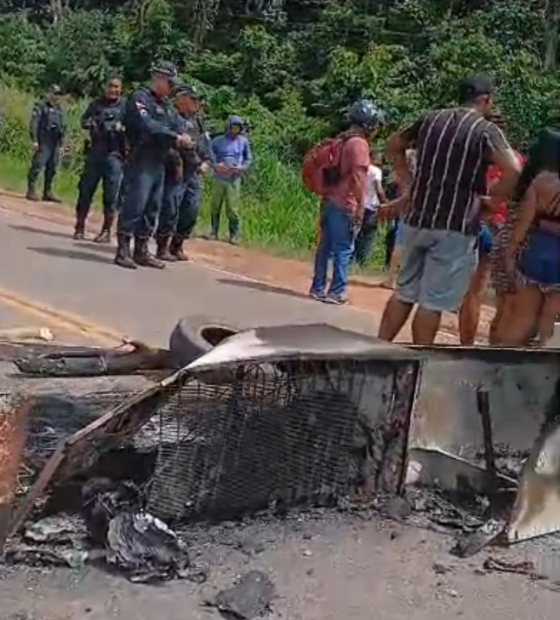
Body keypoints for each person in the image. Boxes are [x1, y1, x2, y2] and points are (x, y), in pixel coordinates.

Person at [377, 75, 522, 344]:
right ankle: (420, 360)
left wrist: (408, 182)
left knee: (404, 292)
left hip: (417, 219)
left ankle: (375, 349)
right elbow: (514, 168)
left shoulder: (431, 120)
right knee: (431, 302)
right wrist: (494, 201)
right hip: (454, 226)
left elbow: (394, 145)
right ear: (486, 99)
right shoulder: (484, 130)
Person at [114, 62, 193, 270]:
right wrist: (175, 136)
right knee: (136, 203)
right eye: (169, 82)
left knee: (152, 207)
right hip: (141, 157)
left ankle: (141, 250)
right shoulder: (140, 99)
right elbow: (147, 125)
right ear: (158, 78)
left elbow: (170, 126)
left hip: (160, 160)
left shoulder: (165, 105)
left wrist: (181, 138)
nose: (171, 87)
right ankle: (123, 250)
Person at [458, 114, 526, 345]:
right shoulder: (516, 161)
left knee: (472, 291)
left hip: (476, 224)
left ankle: (466, 345)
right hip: (503, 228)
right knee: (503, 297)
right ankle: (494, 347)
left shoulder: (473, 158)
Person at [309, 99, 385, 305]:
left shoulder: (341, 140)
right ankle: (337, 291)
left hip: (328, 201)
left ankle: (317, 287)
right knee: (344, 248)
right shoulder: (359, 144)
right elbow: (358, 179)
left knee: (324, 247)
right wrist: (360, 207)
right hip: (344, 204)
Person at [501, 129, 560, 347]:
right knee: (550, 325)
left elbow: (524, 223)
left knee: (522, 318)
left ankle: (502, 366)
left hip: (535, 252)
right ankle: (540, 373)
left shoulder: (541, 181)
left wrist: (509, 255)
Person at [155, 84, 212, 262]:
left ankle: (177, 244)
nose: (196, 103)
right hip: (176, 171)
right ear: (182, 100)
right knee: (170, 208)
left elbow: (207, 147)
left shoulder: (199, 122)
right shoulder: (171, 118)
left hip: (193, 173)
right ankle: (162, 246)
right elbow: (165, 141)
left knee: (191, 210)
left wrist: (207, 162)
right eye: (192, 99)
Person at [73, 75, 127, 242]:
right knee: (85, 190)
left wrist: (122, 128)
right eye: (110, 86)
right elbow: (84, 120)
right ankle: (79, 226)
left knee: (111, 195)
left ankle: (106, 231)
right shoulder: (96, 104)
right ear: (105, 87)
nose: (113, 90)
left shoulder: (125, 107)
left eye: (116, 87)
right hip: (95, 152)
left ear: (121, 89)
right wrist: (92, 123)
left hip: (114, 155)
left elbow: (134, 128)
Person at [206, 116, 252, 244]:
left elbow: (248, 159)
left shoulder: (243, 142)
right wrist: (216, 165)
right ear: (228, 126)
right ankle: (213, 231)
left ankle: (234, 234)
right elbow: (209, 154)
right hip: (219, 177)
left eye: (238, 127)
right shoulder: (218, 141)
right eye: (233, 127)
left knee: (233, 207)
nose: (235, 130)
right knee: (215, 204)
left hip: (234, 178)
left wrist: (241, 168)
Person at [26, 84, 66, 202]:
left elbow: (62, 127)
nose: (56, 97)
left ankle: (47, 191)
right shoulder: (41, 106)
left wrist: (62, 143)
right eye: (54, 94)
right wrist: (34, 139)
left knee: (52, 167)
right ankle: (31, 189)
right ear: (49, 94)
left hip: (54, 142)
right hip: (43, 140)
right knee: (38, 164)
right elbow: (34, 123)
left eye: (58, 95)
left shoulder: (59, 110)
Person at [353, 151, 386, 266]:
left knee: (355, 232)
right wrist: (385, 204)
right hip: (371, 207)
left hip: (358, 205)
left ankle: (350, 259)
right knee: (368, 235)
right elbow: (379, 189)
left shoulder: (361, 168)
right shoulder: (376, 171)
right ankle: (361, 262)